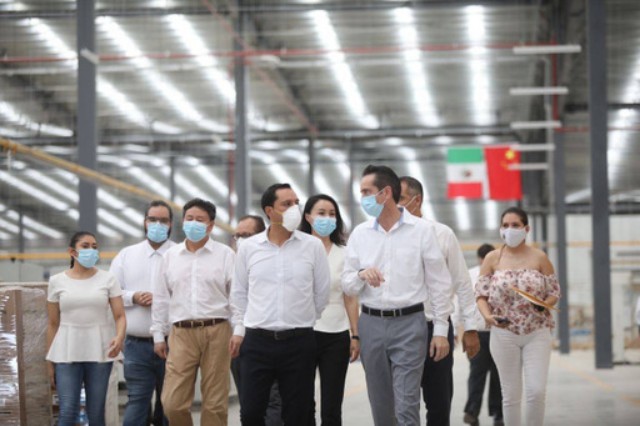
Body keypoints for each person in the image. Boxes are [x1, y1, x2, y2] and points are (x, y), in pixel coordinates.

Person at [342, 165, 453, 426]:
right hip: (371, 324)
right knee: (381, 405)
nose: (362, 198)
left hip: (410, 324)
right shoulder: (360, 233)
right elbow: (347, 285)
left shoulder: (421, 231)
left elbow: (439, 283)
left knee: (406, 403)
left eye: (367, 192)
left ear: (386, 192)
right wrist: (361, 274)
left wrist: (440, 330)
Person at [230, 183, 330, 426]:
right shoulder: (249, 248)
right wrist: (240, 329)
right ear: (269, 211)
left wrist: (302, 319)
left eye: (296, 203)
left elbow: (321, 293)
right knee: (251, 412)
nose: (294, 208)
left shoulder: (312, 246)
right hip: (257, 341)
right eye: (286, 204)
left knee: (297, 414)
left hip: (299, 342)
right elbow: (239, 293)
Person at [399, 176, 480, 426]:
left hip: (436, 327)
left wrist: (471, 328)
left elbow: (463, 283)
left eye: (400, 199)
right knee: (403, 402)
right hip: (399, 330)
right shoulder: (388, 237)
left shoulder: (442, 234)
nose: (393, 205)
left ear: (417, 200)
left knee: (439, 401)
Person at [151, 198, 235, 426]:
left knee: (215, 404)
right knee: (172, 403)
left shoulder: (225, 254)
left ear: (211, 225)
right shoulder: (170, 256)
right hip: (181, 332)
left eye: (200, 219)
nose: (194, 223)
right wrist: (158, 334)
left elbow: (236, 297)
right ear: (183, 221)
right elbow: (161, 299)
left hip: (217, 330)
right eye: (189, 218)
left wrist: (238, 330)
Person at [476, 207, 560, 426]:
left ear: (526, 229)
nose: (510, 229)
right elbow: (481, 295)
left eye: (515, 225)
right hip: (503, 332)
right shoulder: (492, 258)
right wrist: (488, 316)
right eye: (505, 225)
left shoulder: (540, 257)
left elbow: (554, 291)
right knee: (510, 395)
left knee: (536, 391)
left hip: (537, 331)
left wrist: (544, 304)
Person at [46, 231, 126, 426]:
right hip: (66, 351)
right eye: (85, 246)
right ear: (72, 252)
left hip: (100, 351)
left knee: (96, 413)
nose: (91, 250)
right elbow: (53, 323)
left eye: (94, 247)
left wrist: (119, 337)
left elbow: (120, 316)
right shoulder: (56, 281)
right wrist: (49, 360)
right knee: (67, 411)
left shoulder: (108, 279)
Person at [110, 200, 176, 426]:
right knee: (137, 400)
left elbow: (191, 296)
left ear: (171, 224)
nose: (158, 224)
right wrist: (134, 297)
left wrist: (164, 301)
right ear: (145, 222)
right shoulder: (126, 255)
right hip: (136, 345)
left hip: (174, 343)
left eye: (163, 220)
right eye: (153, 219)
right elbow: (111, 293)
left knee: (169, 404)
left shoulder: (180, 254)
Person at [300, 194, 360, 426]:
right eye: (321, 213)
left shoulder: (345, 253)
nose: (327, 218)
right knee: (303, 402)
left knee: (332, 405)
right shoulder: (297, 250)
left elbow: (350, 298)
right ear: (308, 217)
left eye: (332, 214)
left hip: (336, 334)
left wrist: (355, 335)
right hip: (302, 332)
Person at [229, 215, 283, 426]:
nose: (241, 240)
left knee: (273, 400)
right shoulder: (230, 262)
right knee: (249, 404)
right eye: (238, 235)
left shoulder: (270, 264)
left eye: (247, 235)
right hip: (238, 343)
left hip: (265, 339)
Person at [463, 243, 503, 426]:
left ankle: (477, 412)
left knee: (485, 374)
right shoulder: (472, 275)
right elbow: (462, 301)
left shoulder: (501, 275)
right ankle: (494, 414)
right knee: (489, 374)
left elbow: (461, 303)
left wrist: (461, 329)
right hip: (482, 332)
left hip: (491, 332)